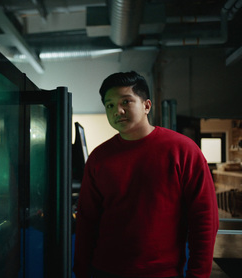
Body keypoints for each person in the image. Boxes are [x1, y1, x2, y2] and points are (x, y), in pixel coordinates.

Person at [73, 71, 219, 278]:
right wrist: (81, 270)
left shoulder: (183, 150)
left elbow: (204, 217)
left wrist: (199, 274)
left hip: (162, 273)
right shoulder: (99, 158)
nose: (118, 110)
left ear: (146, 105)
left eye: (126, 101)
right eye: (110, 105)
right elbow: (87, 220)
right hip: (104, 271)